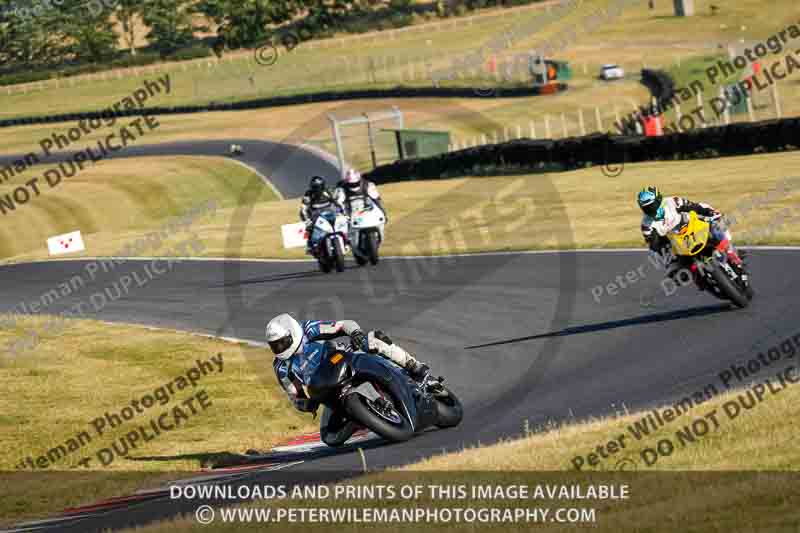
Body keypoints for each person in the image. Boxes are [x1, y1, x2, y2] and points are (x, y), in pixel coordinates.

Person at [266, 314, 430, 415]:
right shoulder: (281, 367)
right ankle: (363, 416)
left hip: (344, 359)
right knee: (330, 437)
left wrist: (355, 333)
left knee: (372, 339)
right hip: (324, 386)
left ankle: (413, 366)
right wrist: (306, 405)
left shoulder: (308, 329)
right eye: (275, 345)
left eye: (282, 342)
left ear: (292, 333)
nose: (280, 348)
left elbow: (343, 324)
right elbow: (294, 396)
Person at [637, 186, 744, 282]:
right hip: (676, 243)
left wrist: (711, 214)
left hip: (693, 228)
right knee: (675, 273)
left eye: (652, 205)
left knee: (716, 227)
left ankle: (733, 256)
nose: (650, 209)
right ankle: (700, 279)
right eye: (646, 208)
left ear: (659, 199)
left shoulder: (672, 202)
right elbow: (655, 245)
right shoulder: (647, 226)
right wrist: (664, 250)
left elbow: (694, 207)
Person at [300, 176, 341, 254]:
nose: (318, 189)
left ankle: (347, 239)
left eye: (319, 187)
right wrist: (307, 220)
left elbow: (336, 202)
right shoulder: (308, 194)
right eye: (315, 187)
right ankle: (310, 246)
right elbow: (303, 209)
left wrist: (341, 210)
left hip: (329, 213)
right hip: (315, 215)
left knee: (341, 222)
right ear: (312, 187)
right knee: (309, 227)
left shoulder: (327, 191)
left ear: (323, 186)